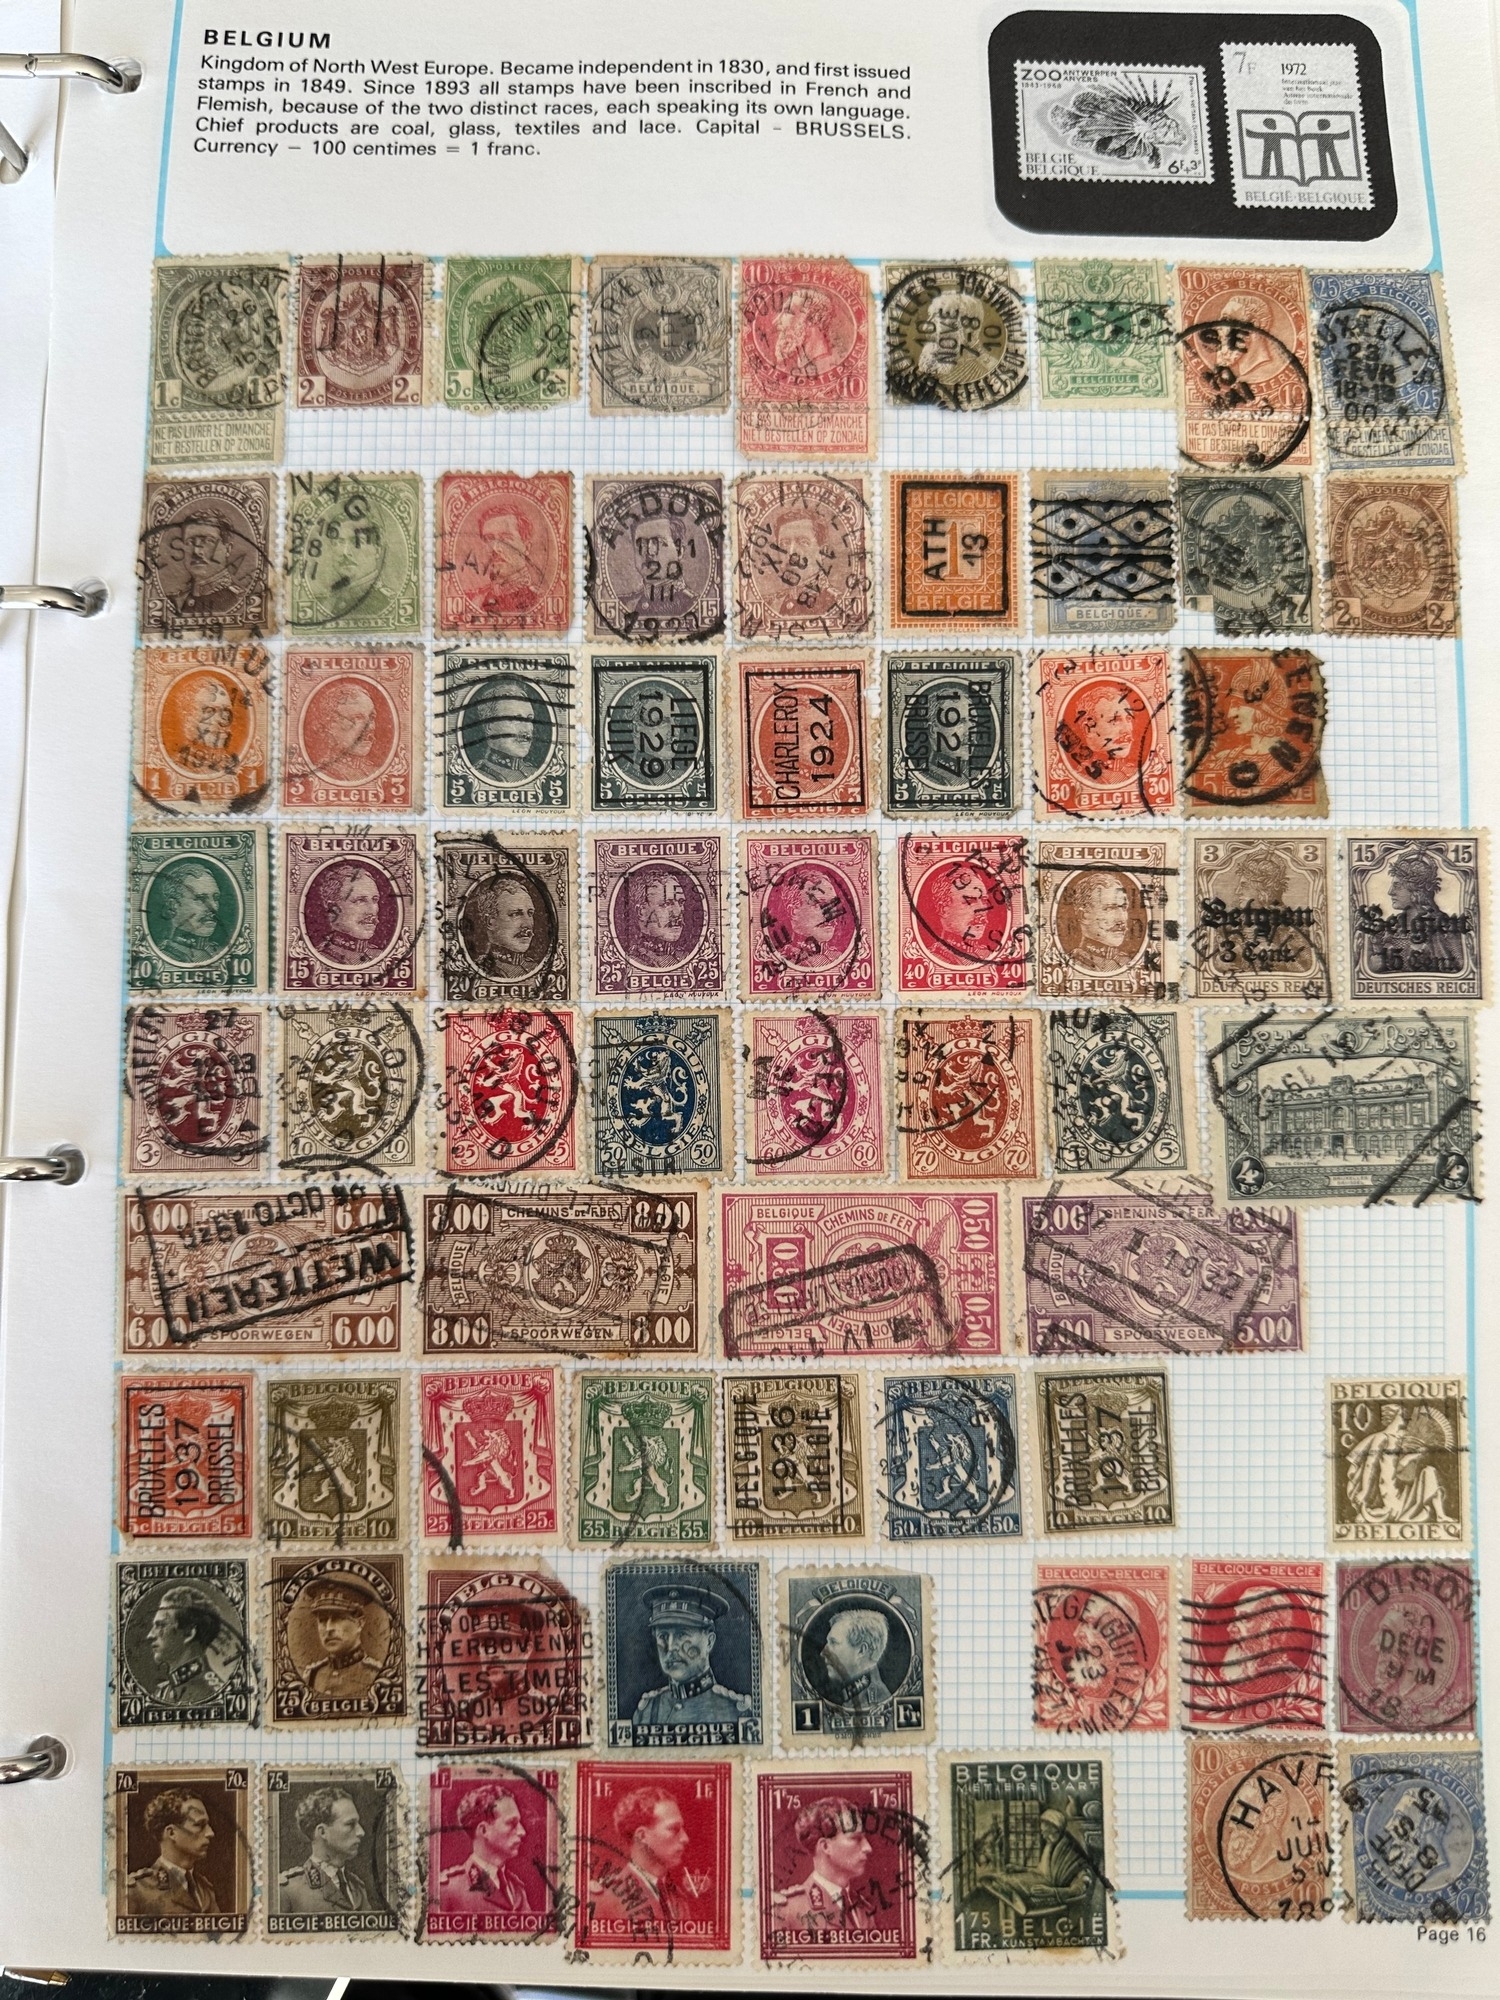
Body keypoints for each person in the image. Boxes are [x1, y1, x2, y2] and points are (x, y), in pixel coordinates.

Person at [630, 1584, 755, 1733]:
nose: (670, 1647)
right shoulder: (647, 1711)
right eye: (663, 1636)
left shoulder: (737, 1712)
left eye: (681, 1635)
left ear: (709, 1642)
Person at [588, 1784, 693, 1936]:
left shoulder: (678, 1898)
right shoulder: (605, 1900)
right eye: (674, 1829)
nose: (685, 1838)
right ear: (642, 1836)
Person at [1345, 1402, 1459, 1530]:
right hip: (1390, 1500)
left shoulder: (1404, 1438)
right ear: (1393, 1417)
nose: (1407, 1418)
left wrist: (1414, 1456)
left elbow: (1402, 1471)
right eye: (1402, 1415)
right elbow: (1369, 1466)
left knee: (1429, 1471)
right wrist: (1364, 1492)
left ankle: (1440, 1515)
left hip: (1403, 1494)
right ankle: (1367, 1514)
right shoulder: (1382, 1438)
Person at [772, 1796, 873, 1935]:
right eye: (855, 1838)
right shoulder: (787, 1910)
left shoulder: (864, 1909)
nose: (868, 1848)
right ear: (825, 1846)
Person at [439, 1782, 541, 1914]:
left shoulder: (517, 1889)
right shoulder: (448, 1890)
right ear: (484, 1830)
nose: (522, 1832)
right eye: (512, 1823)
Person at [278, 1785, 374, 1915]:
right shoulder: (288, 1891)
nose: (361, 1832)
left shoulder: (358, 1887)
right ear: (322, 1832)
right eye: (350, 1824)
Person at [127, 1788, 220, 1917]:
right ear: (171, 1833)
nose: (210, 1833)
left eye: (208, 1825)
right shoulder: (138, 1890)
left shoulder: (205, 1889)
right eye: (199, 1825)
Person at [300, 1575, 386, 1699]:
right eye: (322, 1620)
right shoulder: (311, 1675)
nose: (328, 1628)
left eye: (338, 1618)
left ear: (360, 1623)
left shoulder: (377, 1674)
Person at [145, 1584, 227, 1707]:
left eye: (161, 1625)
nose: (150, 1635)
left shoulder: (212, 1694)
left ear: (189, 1633)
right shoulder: (162, 1693)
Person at [165, 505, 251, 622]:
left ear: (228, 549)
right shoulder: (173, 602)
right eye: (190, 542)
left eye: (208, 541)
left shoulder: (241, 600)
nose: (196, 551)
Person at [460, 872, 543, 978]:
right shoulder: (481, 969)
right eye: (515, 914)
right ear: (490, 922)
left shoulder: (535, 968)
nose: (527, 924)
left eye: (530, 913)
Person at [1058, 870, 1138, 974]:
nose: (1122, 919)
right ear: (1084, 916)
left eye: (1123, 907)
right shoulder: (1073, 963)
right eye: (1110, 908)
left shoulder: (1127, 962)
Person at [820, 1606, 895, 1715]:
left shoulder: (871, 1704)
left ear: (861, 1650)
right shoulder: (856, 1693)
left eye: (833, 1643)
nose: (823, 1652)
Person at [305, 679, 380, 784]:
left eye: (371, 718)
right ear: (330, 724)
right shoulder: (325, 773)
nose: (370, 727)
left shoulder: (374, 771)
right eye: (357, 718)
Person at [151, 862, 224, 963]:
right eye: (200, 899)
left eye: (215, 898)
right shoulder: (165, 956)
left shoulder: (219, 952)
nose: (214, 908)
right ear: (173, 905)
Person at [313, 862, 384, 966]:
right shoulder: (320, 959)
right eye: (360, 900)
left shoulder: (380, 956)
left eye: (375, 900)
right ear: (333, 909)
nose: (372, 910)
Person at [621, 865, 691, 964]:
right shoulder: (631, 960)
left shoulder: (684, 957)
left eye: (681, 903)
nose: (678, 912)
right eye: (666, 904)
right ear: (641, 911)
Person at [170, 674, 239, 774]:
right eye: (209, 712)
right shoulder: (177, 767)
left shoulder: (232, 767)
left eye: (226, 712)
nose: (223, 721)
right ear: (188, 717)